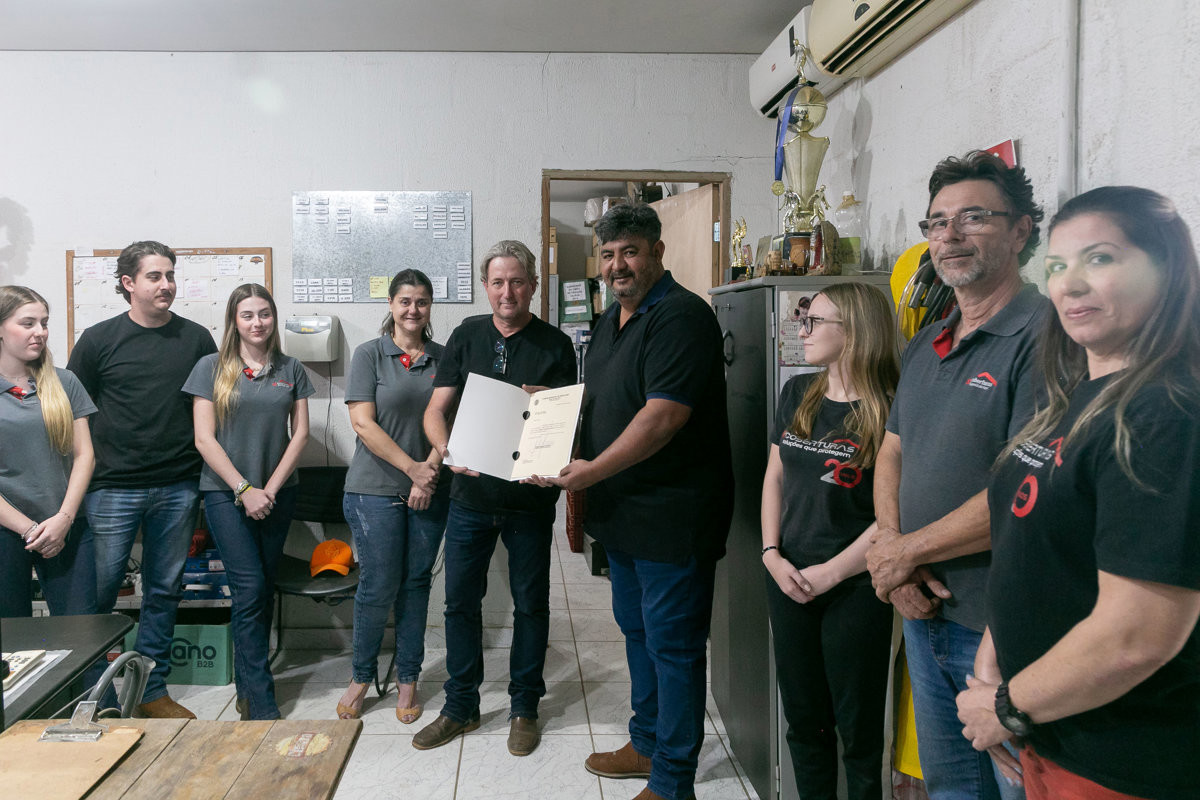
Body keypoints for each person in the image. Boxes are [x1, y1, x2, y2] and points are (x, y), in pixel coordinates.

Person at [956, 186, 1200, 800]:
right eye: (1058, 266)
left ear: (1167, 269)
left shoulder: (1165, 414)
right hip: (1049, 728)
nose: (1070, 285)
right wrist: (993, 661)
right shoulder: (1074, 399)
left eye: (1100, 258)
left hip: (1120, 758)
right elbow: (1032, 550)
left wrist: (1007, 705)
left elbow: (1137, 635)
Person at [865, 151, 1050, 799]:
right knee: (951, 787)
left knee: (1016, 788)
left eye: (974, 217)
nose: (950, 235)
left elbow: (1028, 493)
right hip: (924, 610)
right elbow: (892, 450)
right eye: (938, 222)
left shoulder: (1046, 338)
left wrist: (902, 555)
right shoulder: (931, 338)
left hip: (1003, 628)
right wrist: (896, 556)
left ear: (1021, 230)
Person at [531, 204, 733, 800]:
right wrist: (550, 406)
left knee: (673, 646)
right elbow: (603, 399)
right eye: (608, 254)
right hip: (621, 515)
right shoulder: (610, 322)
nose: (617, 265)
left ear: (657, 253)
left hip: (673, 517)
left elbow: (662, 417)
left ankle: (673, 780)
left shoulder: (682, 316)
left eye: (630, 252)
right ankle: (646, 743)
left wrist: (590, 472)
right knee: (638, 632)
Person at [417, 240, 576, 756]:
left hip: (529, 501)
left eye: (517, 282)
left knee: (531, 605)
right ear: (486, 286)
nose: (508, 292)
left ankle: (524, 706)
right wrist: (447, 451)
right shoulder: (466, 335)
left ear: (533, 285)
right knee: (461, 603)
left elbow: (563, 422)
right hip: (470, 497)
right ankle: (460, 705)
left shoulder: (557, 345)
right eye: (498, 282)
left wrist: (550, 440)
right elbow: (435, 410)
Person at [761, 283, 899, 800]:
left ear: (855, 330)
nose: (802, 331)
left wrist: (834, 572)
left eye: (814, 321)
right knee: (804, 722)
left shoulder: (892, 406)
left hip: (856, 586)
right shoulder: (799, 391)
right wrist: (771, 554)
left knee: (859, 733)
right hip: (788, 576)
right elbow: (775, 475)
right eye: (803, 319)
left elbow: (894, 512)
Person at [67, 240, 217, 718]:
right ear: (128, 283)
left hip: (178, 485)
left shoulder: (197, 339)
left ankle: (151, 692)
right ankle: (96, 697)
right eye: (155, 276)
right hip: (110, 488)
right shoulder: (98, 340)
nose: (166, 284)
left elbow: (209, 410)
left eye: (170, 275)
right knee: (97, 596)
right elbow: (72, 412)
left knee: (163, 592)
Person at [183, 283, 313, 720]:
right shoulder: (210, 367)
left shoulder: (291, 368)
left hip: (278, 494)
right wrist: (244, 489)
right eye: (248, 315)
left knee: (261, 589)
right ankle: (260, 703)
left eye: (264, 314)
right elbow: (204, 439)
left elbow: (301, 435)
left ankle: (246, 684)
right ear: (234, 321)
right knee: (250, 587)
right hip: (225, 494)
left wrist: (269, 489)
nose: (258, 323)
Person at [335, 269, 450, 724]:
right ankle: (361, 676)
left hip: (429, 488)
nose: (413, 310)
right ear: (390, 304)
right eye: (405, 301)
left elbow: (451, 422)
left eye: (421, 302)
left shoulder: (444, 357)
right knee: (379, 584)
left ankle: (408, 678)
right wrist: (412, 470)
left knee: (416, 584)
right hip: (374, 491)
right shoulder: (369, 354)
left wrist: (427, 474)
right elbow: (362, 423)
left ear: (430, 307)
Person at [0, 286, 97, 618]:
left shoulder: (65, 382)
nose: (40, 332)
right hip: (6, 529)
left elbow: (85, 456)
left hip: (66, 525)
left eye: (44, 323)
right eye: (28, 323)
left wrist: (64, 520)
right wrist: (28, 529)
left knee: (81, 632)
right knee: (12, 637)